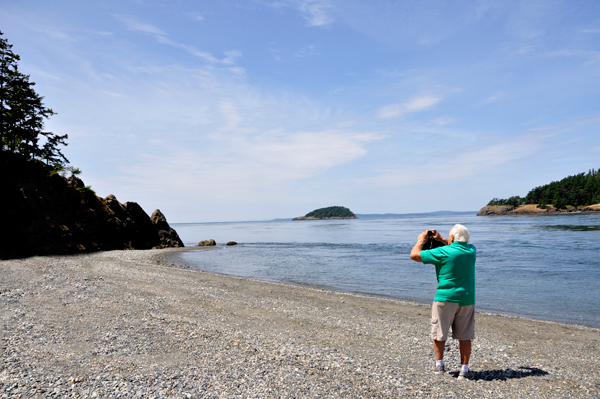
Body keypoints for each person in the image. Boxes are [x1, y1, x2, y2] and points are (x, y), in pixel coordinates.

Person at [409, 224, 476, 380]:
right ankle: (464, 370)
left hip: (445, 298)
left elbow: (414, 255)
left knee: (439, 332)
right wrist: (441, 239)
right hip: (467, 298)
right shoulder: (472, 251)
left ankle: (439, 366)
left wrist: (421, 240)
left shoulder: (443, 252)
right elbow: (457, 245)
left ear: (452, 237)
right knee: (465, 335)